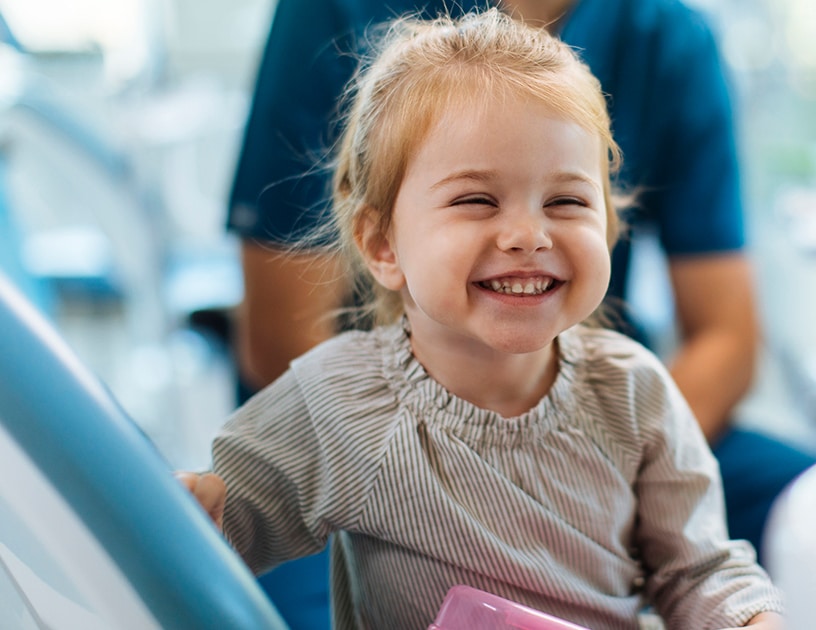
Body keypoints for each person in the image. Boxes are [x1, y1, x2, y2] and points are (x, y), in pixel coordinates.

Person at [184, 9, 784, 628]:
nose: (528, 234)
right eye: (476, 200)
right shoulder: (340, 402)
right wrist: (201, 509)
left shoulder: (636, 395)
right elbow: (217, 525)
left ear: (607, 226)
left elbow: (700, 571)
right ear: (382, 244)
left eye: (566, 201)